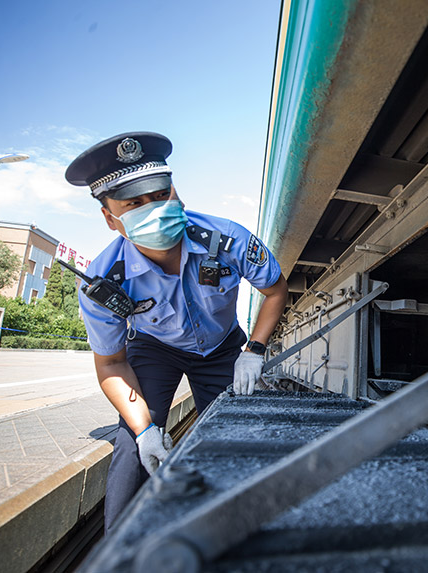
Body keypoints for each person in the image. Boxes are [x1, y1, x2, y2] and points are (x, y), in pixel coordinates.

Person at [65, 132, 287, 531]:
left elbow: (274, 289)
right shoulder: (105, 279)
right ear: (110, 218)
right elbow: (112, 363)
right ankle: (122, 547)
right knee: (134, 447)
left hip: (223, 348)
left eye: (160, 195)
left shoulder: (226, 239)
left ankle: (237, 531)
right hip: (155, 349)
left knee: (235, 433)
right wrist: (146, 430)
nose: (152, 208)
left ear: (176, 192)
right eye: (134, 204)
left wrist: (254, 350)